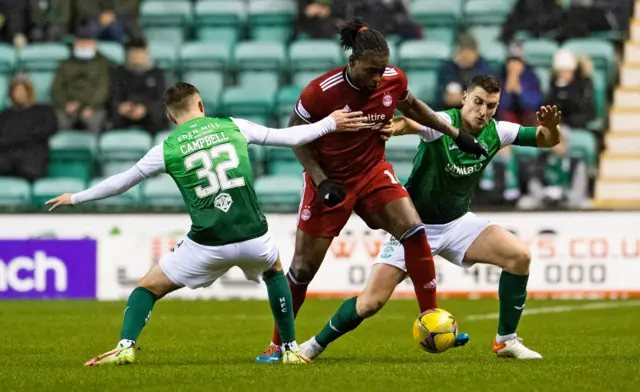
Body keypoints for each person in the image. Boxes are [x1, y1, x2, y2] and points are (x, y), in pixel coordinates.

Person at [45, 82, 368, 366]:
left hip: (207, 244)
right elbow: (288, 137)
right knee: (274, 271)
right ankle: (289, 348)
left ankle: (125, 347)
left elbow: (123, 181)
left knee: (147, 288)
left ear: (172, 116)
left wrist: (77, 197)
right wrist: (329, 123)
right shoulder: (232, 126)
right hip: (254, 236)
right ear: (201, 105)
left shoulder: (167, 149)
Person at [256, 18, 486, 363]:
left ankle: (430, 317)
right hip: (330, 181)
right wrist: (321, 180)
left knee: (414, 230)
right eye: (370, 70)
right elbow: (294, 135)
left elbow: (412, 105)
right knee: (302, 270)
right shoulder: (320, 92)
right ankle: (278, 345)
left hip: (373, 173)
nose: (377, 78)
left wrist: (456, 134)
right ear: (352, 63)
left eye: (382, 69)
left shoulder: (393, 79)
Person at [300, 75, 560, 360]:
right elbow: (409, 122)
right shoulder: (441, 124)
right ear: (464, 98)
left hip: (458, 224)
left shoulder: (498, 132)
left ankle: (505, 341)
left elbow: (545, 140)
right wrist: (394, 128)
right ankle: (313, 345)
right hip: (412, 228)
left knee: (519, 256)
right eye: (477, 102)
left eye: (491, 105)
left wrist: (551, 128)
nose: (483, 111)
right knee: (370, 303)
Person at [51, 29, 110, 134]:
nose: (84, 46)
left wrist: (89, 106)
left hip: (92, 108)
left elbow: (102, 89)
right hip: (67, 106)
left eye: (87, 43)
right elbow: (56, 88)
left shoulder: (103, 64)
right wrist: (65, 104)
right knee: (58, 121)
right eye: (81, 42)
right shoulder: (65, 64)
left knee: (96, 122)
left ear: (95, 44)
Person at [0, 74, 58, 181]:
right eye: (16, 91)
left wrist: (17, 136)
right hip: (7, 155)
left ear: (29, 92)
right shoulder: (5, 115)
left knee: (30, 168)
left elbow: (49, 129)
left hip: (32, 154)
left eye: (22, 90)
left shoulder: (44, 111)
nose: (19, 94)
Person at [109, 38, 167, 134]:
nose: (136, 58)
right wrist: (121, 107)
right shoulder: (118, 73)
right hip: (123, 117)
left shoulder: (157, 74)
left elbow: (162, 100)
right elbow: (113, 96)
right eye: (133, 54)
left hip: (150, 118)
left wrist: (146, 109)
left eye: (139, 54)